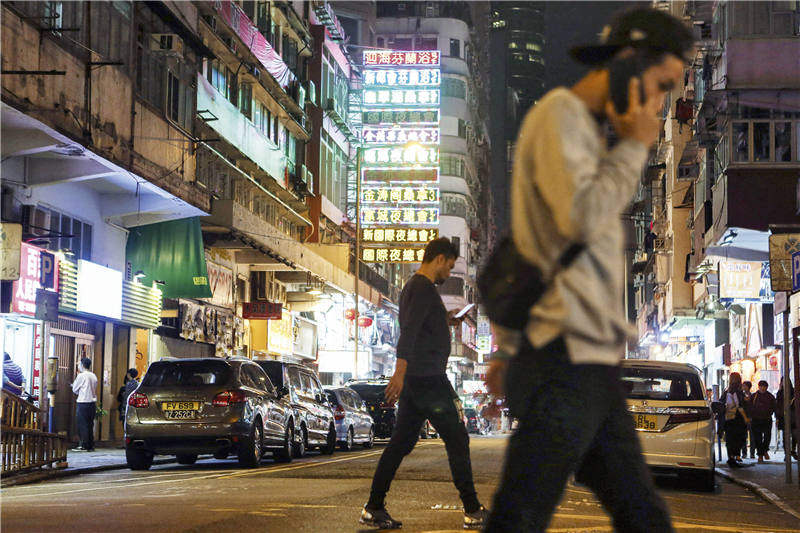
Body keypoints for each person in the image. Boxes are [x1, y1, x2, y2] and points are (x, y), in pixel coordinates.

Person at [483, 7, 692, 532]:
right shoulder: (560, 116)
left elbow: (543, 250)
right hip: (563, 363)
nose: (662, 102)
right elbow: (577, 220)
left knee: (642, 514)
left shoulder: (591, 135)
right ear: (629, 62)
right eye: (662, 83)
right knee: (521, 516)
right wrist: (638, 146)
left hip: (588, 362)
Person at [360, 238, 488, 530]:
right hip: (429, 380)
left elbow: (425, 323)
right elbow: (410, 330)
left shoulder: (420, 289)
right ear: (440, 259)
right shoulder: (420, 287)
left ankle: (374, 507)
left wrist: (449, 321)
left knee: (400, 444)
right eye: (450, 266)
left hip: (419, 382)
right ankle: (472, 510)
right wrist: (399, 371)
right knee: (458, 438)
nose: (449, 272)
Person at [72, 357, 98, 452]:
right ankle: (90, 445)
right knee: (90, 424)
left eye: (79, 364)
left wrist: (79, 390)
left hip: (83, 402)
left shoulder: (81, 376)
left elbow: (74, 389)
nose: (78, 366)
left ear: (82, 365)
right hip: (92, 403)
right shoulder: (93, 376)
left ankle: (84, 445)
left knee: (82, 424)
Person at [722, 372, 748, 467]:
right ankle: (734, 458)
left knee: (730, 439)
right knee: (737, 439)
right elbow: (739, 406)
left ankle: (731, 458)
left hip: (728, 418)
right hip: (737, 419)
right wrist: (745, 418)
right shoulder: (737, 392)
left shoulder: (726, 391)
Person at [750, 380, 776, 462]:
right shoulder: (754, 396)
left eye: (764, 386)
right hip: (755, 419)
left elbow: (774, 407)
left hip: (767, 419)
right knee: (758, 438)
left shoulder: (770, 396)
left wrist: (773, 414)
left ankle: (765, 450)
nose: (762, 388)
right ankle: (760, 454)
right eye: (761, 386)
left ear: (767, 387)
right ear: (758, 387)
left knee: (767, 436)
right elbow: (749, 407)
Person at [776, 377, 797, 460]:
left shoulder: (793, 391)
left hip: (793, 416)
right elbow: (777, 405)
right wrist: (777, 417)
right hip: (783, 416)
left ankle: (792, 450)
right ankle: (787, 453)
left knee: (794, 435)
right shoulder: (780, 392)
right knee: (786, 435)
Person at [742, 380, 754, 459]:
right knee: (744, 436)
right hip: (743, 418)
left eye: (744, 386)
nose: (743, 387)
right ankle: (744, 453)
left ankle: (752, 453)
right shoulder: (741, 395)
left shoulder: (753, 396)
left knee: (752, 436)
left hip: (751, 418)